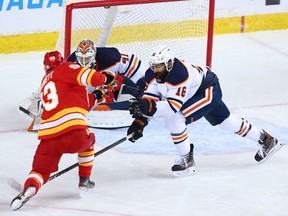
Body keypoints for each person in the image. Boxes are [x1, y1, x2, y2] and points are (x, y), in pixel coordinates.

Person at [126, 45, 282, 177]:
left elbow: (172, 107)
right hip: (196, 91)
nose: (155, 69)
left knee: (175, 118)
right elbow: (150, 101)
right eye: (153, 66)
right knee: (226, 122)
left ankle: (187, 160)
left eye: (158, 66)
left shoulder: (180, 75)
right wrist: (140, 120)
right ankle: (267, 140)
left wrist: (149, 108)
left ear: (169, 64)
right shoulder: (154, 74)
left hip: (207, 90)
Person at [10, 50, 117, 211]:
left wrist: (98, 95)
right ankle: (84, 180)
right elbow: (93, 78)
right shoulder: (67, 67)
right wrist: (106, 78)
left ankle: (29, 188)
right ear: (61, 61)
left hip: (48, 138)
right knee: (89, 142)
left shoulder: (45, 81)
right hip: (73, 131)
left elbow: (79, 101)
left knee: (40, 170)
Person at [67, 39, 147, 101]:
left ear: (94, 55)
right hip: (98, 78)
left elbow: (131, 67)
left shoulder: (109, 59)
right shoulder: (70, 65)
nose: (84, 61)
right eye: (81, 58)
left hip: (129, 69)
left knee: (143, 91)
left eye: (87, 58)